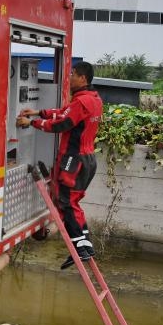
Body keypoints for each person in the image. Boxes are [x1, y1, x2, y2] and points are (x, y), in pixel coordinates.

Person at [16, 61, 103, 269]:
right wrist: (38, 113)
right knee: (73, 203)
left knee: (66, 204)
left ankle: (79, 250)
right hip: (88, 159)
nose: (69, 77)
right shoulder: (93, 99)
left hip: (74, 160)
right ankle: (84, 246)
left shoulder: (81, 102)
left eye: (72, 74)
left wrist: (32, 123)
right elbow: (63, 112)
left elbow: (62, 123)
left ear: (82, 78)